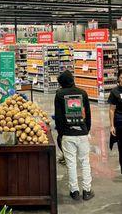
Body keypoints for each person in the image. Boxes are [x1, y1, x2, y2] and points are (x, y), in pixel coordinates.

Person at [54, 70, 93, 201]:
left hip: (67, 134)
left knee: (71, 163)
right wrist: (87, 129)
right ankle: (87, 191)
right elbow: (87, 113)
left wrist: (60, 133)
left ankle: (74, 191)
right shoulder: (83, 93)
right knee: (85, 162)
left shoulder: (59, 95)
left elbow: (58, 117)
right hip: (82, 132)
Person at [108, 69, 122, 174]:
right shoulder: (115, 92)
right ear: (118, 78)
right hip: (120, 122)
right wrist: (112, 126)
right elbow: (112, 110)